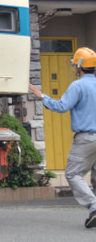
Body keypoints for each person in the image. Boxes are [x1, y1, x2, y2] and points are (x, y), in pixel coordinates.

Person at [29, 47, 96, 229]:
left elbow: (61, 106)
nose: (74, 67)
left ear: (80, 66)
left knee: (73, 173)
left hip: (86, 138)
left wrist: (41, 96)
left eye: (75, 64)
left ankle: (94, 206)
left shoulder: (78, 85)